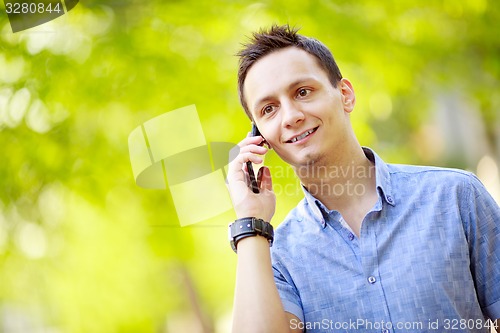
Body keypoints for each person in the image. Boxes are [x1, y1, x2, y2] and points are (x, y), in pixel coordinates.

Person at [226, 24, 500, 333]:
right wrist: (250, 220)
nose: (290, 117)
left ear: (345, 95)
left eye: (302, 92)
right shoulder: (275, 259)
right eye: (269, 109)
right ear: (260, 137)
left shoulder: (454, 196)